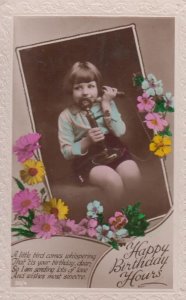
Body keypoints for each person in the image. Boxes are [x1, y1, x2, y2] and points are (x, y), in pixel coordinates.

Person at [58, 61, 141, 203]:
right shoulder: (66, 116)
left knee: (132, 175)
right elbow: (67, 152)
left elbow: (120, 132)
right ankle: (118, 217)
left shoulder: (106, 103)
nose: (85, 92)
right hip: (88, 160)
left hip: (114, 150)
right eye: (78, 88)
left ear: (99, 88)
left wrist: (106, 105)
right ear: (70, 90)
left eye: (90, 86)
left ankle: (138, 212)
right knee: (112, 181)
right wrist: (86, 141)